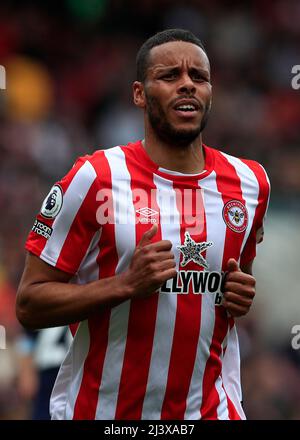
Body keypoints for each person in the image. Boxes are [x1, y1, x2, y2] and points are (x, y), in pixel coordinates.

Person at [16, 29, 270, 420]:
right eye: (170, 76)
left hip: (210, 411)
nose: (187, 84)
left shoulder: (251, 184)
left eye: (198, 77)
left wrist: (240, 295)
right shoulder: (95, 177)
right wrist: (124, 285)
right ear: (139, 94)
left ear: (210, 93)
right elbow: (29, 303)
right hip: (104, 413)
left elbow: (234, 287)